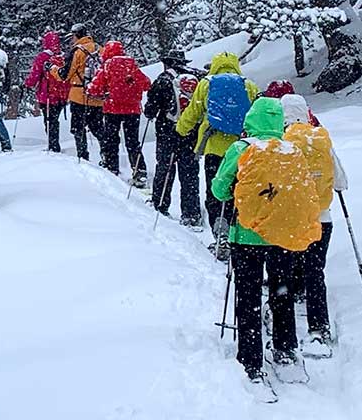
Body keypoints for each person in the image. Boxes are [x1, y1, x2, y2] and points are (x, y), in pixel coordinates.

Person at [211, 97, 313, 390]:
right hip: (282, 236)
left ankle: (251, 359)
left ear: (251, 119)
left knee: (249, 295)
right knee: (281, 291)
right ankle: (285, 347)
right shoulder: (291, 150)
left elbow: (219, 190)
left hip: (247, 235)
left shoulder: (241, 149)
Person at [281, 92, 348, 357]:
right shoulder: (321, 140)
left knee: (286, 266)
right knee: (315, 270)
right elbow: (341, 181)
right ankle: (319, 326)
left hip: (292, 219)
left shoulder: (283, 142)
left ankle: (286, 315)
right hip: (322, 218)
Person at [176, 51, 260, 259]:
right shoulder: (248, 85)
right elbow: (257, 114)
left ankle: (220, 235)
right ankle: (237, 234)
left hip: (213, 147)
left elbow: (193, 113)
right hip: (241, 149)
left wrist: (180, 129)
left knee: (215, 191)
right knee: (238, 192)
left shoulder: (206, 84)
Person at [143, 48, 202, 227]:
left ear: (166, 63)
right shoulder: (195, 80)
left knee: (165, 167)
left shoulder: (163, 80)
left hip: (167, 131)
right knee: (190, 172)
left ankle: (160, 204)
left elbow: (150, 110)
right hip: (190, 132)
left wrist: (152, 111)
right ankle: (191, 214)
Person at [87, 40, 152, 184]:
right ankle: (139, 171)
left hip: (112, 109)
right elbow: (146, 83)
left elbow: (94, 88)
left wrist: (96, 90)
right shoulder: (131, 65)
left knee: (111, 140)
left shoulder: (108, 65)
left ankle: (112, 168)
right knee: (133, 142)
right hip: (133, 109)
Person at [58, 24, 105, 163]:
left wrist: (53, 69)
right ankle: (107, 154)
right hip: (97, 95)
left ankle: (82, 156)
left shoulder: (77, 51)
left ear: (76, 35)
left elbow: (65, 75)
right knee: (98, 128)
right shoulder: (99, 49)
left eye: (72, 36)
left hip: (79, 95)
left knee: (78, 128)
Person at [25, 30, 70, 152]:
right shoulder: (64, 56)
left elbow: (35, 75)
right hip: (61, 95)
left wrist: (27, 84)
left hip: (47, 95)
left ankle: (53, 145)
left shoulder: (43, 57)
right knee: (54, 120)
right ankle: (54, 144)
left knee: (49, 121)